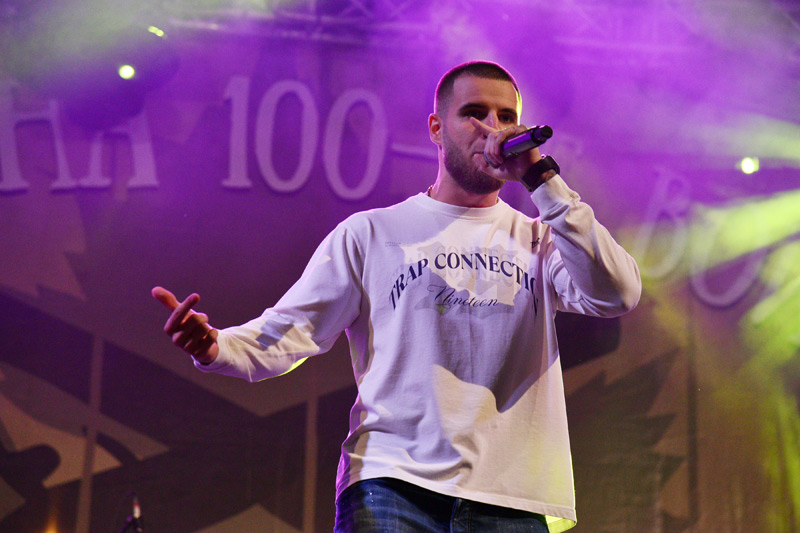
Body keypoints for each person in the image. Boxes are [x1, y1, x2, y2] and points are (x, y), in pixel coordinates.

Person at [153, 61, 641, 532]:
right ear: (436, 128)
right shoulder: (372, 233)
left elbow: (617, 293)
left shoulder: (542, 238)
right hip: (393, 483)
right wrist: (216, 346)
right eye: (474, 113)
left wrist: (543, 180)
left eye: (505, 116)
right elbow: (293, 330)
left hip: (512, 495)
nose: (492, 128)